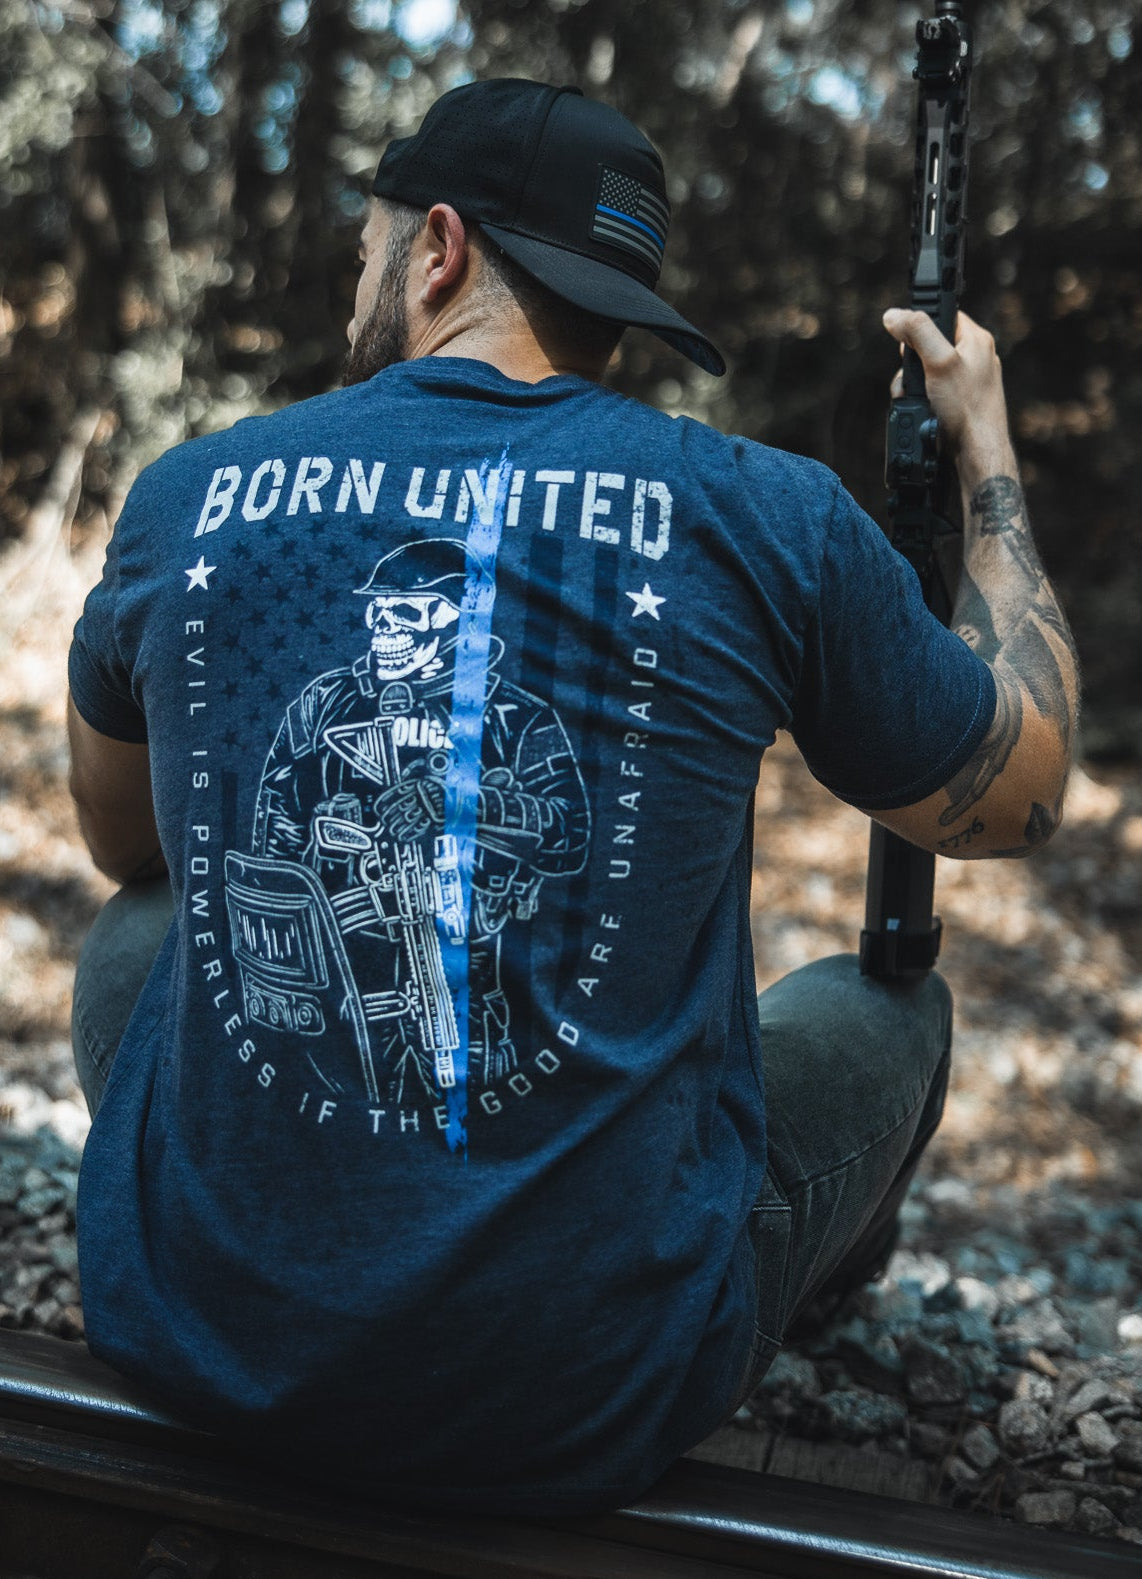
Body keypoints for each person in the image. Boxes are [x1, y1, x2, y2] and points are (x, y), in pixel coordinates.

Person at [67, 78, 1078, 1515]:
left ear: (437, 250)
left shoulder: (190, 496)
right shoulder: (760, 513)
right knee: (893, 1009)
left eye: (366, 252)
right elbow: (1019, 795)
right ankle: (786, 1290)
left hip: (204, 1341)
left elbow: (124, 838)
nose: (360, 283)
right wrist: (984, 453)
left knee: (133, 932)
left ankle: (283, 1240)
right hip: (575, 1392)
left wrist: (433, 848)